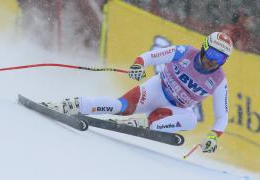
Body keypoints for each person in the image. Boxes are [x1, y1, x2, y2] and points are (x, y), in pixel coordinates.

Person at [45, 32, 233, 154]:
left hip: (175, 109)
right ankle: (72, 104)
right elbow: (150, 57)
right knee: (120, 107)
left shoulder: (219, 81)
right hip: (157, 89)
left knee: (191, 120)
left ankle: (147, 123)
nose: (213, 61)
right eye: (212, 54)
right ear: (204, 47)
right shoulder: (184, 52)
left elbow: (222, 116)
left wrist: (213, 137)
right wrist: (138, 65)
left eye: (221, 58)